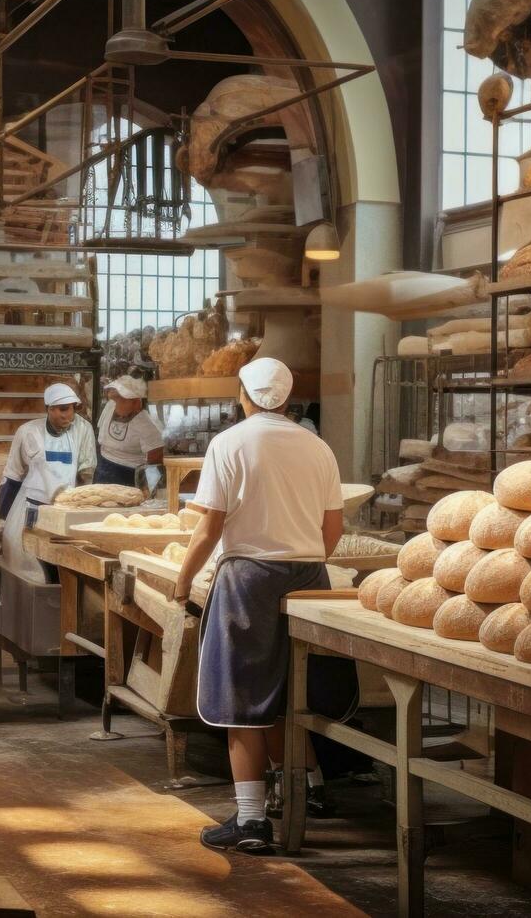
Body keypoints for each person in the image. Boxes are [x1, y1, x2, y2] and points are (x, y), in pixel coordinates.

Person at [172, 357, 344, 856]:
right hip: (311, 576)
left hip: (248, 578)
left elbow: (208, 528)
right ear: (287, 399)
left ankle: (250, 821)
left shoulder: (229, 443)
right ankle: (308, 787)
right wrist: (299, 559)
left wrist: (183, 583)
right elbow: (331, 530)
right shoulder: (318, 447)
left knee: (242, 698)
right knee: (293, 692)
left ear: (242, 395)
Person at [0, 382, 96, 582]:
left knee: (63, 573)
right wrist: (1, 518)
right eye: (62, 410)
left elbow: (86, 476)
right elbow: (13, 476)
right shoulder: (27, 432)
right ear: (48, 408)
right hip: (30, 511)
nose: (68, 415)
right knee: (31, 574)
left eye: (72, 409)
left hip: (64, 512)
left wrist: (84, 516)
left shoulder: (82, 429)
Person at [94, 375, 165, 487]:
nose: (115, 404)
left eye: (121, 400)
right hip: (103, 467)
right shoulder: (110, 406)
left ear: (136, 403)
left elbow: (155, 463)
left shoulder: (148, 426)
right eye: (115, 400)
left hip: (128, 475)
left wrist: (148, 488)